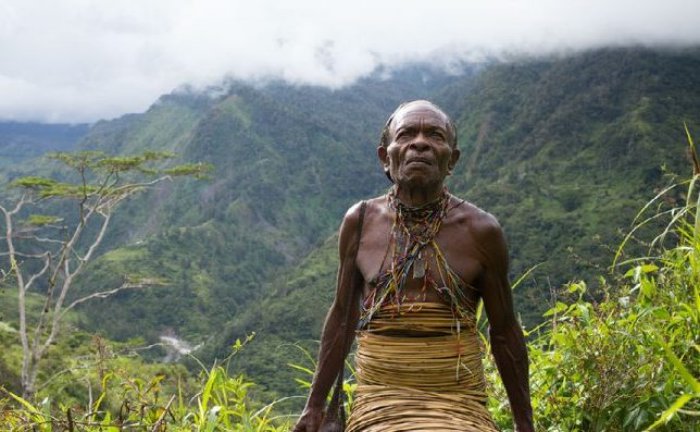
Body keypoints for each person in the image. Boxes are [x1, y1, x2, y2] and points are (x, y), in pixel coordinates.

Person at [293, 100, 534, 431]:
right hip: (378, 403)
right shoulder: (360, 221)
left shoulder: (481, 231)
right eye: (406, 134)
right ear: (385, 156)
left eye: (435, 135)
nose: (420, 142)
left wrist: (525, 424)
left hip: (457, 405)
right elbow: (342, 318)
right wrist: (314, 405)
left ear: (453, 159)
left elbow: (505, 332)